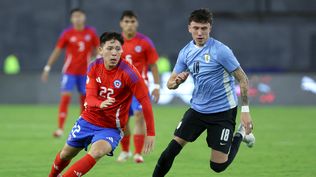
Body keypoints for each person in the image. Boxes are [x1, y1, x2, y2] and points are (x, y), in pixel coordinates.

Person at [152, 9, 255, 177]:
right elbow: (170, 83)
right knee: (168, 153)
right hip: (197, 110)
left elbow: (243, 79)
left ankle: (240, 133)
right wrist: (177, 81)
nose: (200, 33)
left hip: (223, 112)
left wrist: (245, 111)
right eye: (196, 28)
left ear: (210, 28)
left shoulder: (221, 51)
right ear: (189, 28)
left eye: (204, 28)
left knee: (217, 167)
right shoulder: (185, 52)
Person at [48, 32, 155, 177]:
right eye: (110, 48)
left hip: (111, 127)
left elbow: (145, 101)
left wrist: (151, 133)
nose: (114, 53)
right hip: (88, 120)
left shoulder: (129, 73)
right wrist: (101, 103)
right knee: (66, 154)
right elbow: (90, 98)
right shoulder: (94, 67)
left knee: (97, 152)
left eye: (118, 49)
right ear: (100, 50)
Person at [41, 8, 99, 137]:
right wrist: (47, 67)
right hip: (69, 72)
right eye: (75, 16)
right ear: (71, 19)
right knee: (65, 97)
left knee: (85, 101)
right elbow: (57, 50)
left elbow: (98, 49)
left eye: (80, 16)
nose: (77, 18)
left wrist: (97, 59)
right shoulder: (67, 33)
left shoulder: (91, 32)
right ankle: (60, 129)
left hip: (86, 73)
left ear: (84, 17)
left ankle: (82, 127)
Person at [117, 10, 160, 163]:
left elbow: (153, 65)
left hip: (140, 86)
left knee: (139, 116)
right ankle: (125, 151)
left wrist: (156, 86)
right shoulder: (115, 43)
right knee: (121, 121)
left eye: (132, 21)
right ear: (121, 23)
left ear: (137, 23)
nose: (129, 25)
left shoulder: (145, 42)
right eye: (126, 22)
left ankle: (137, 153)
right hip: (120, 88)